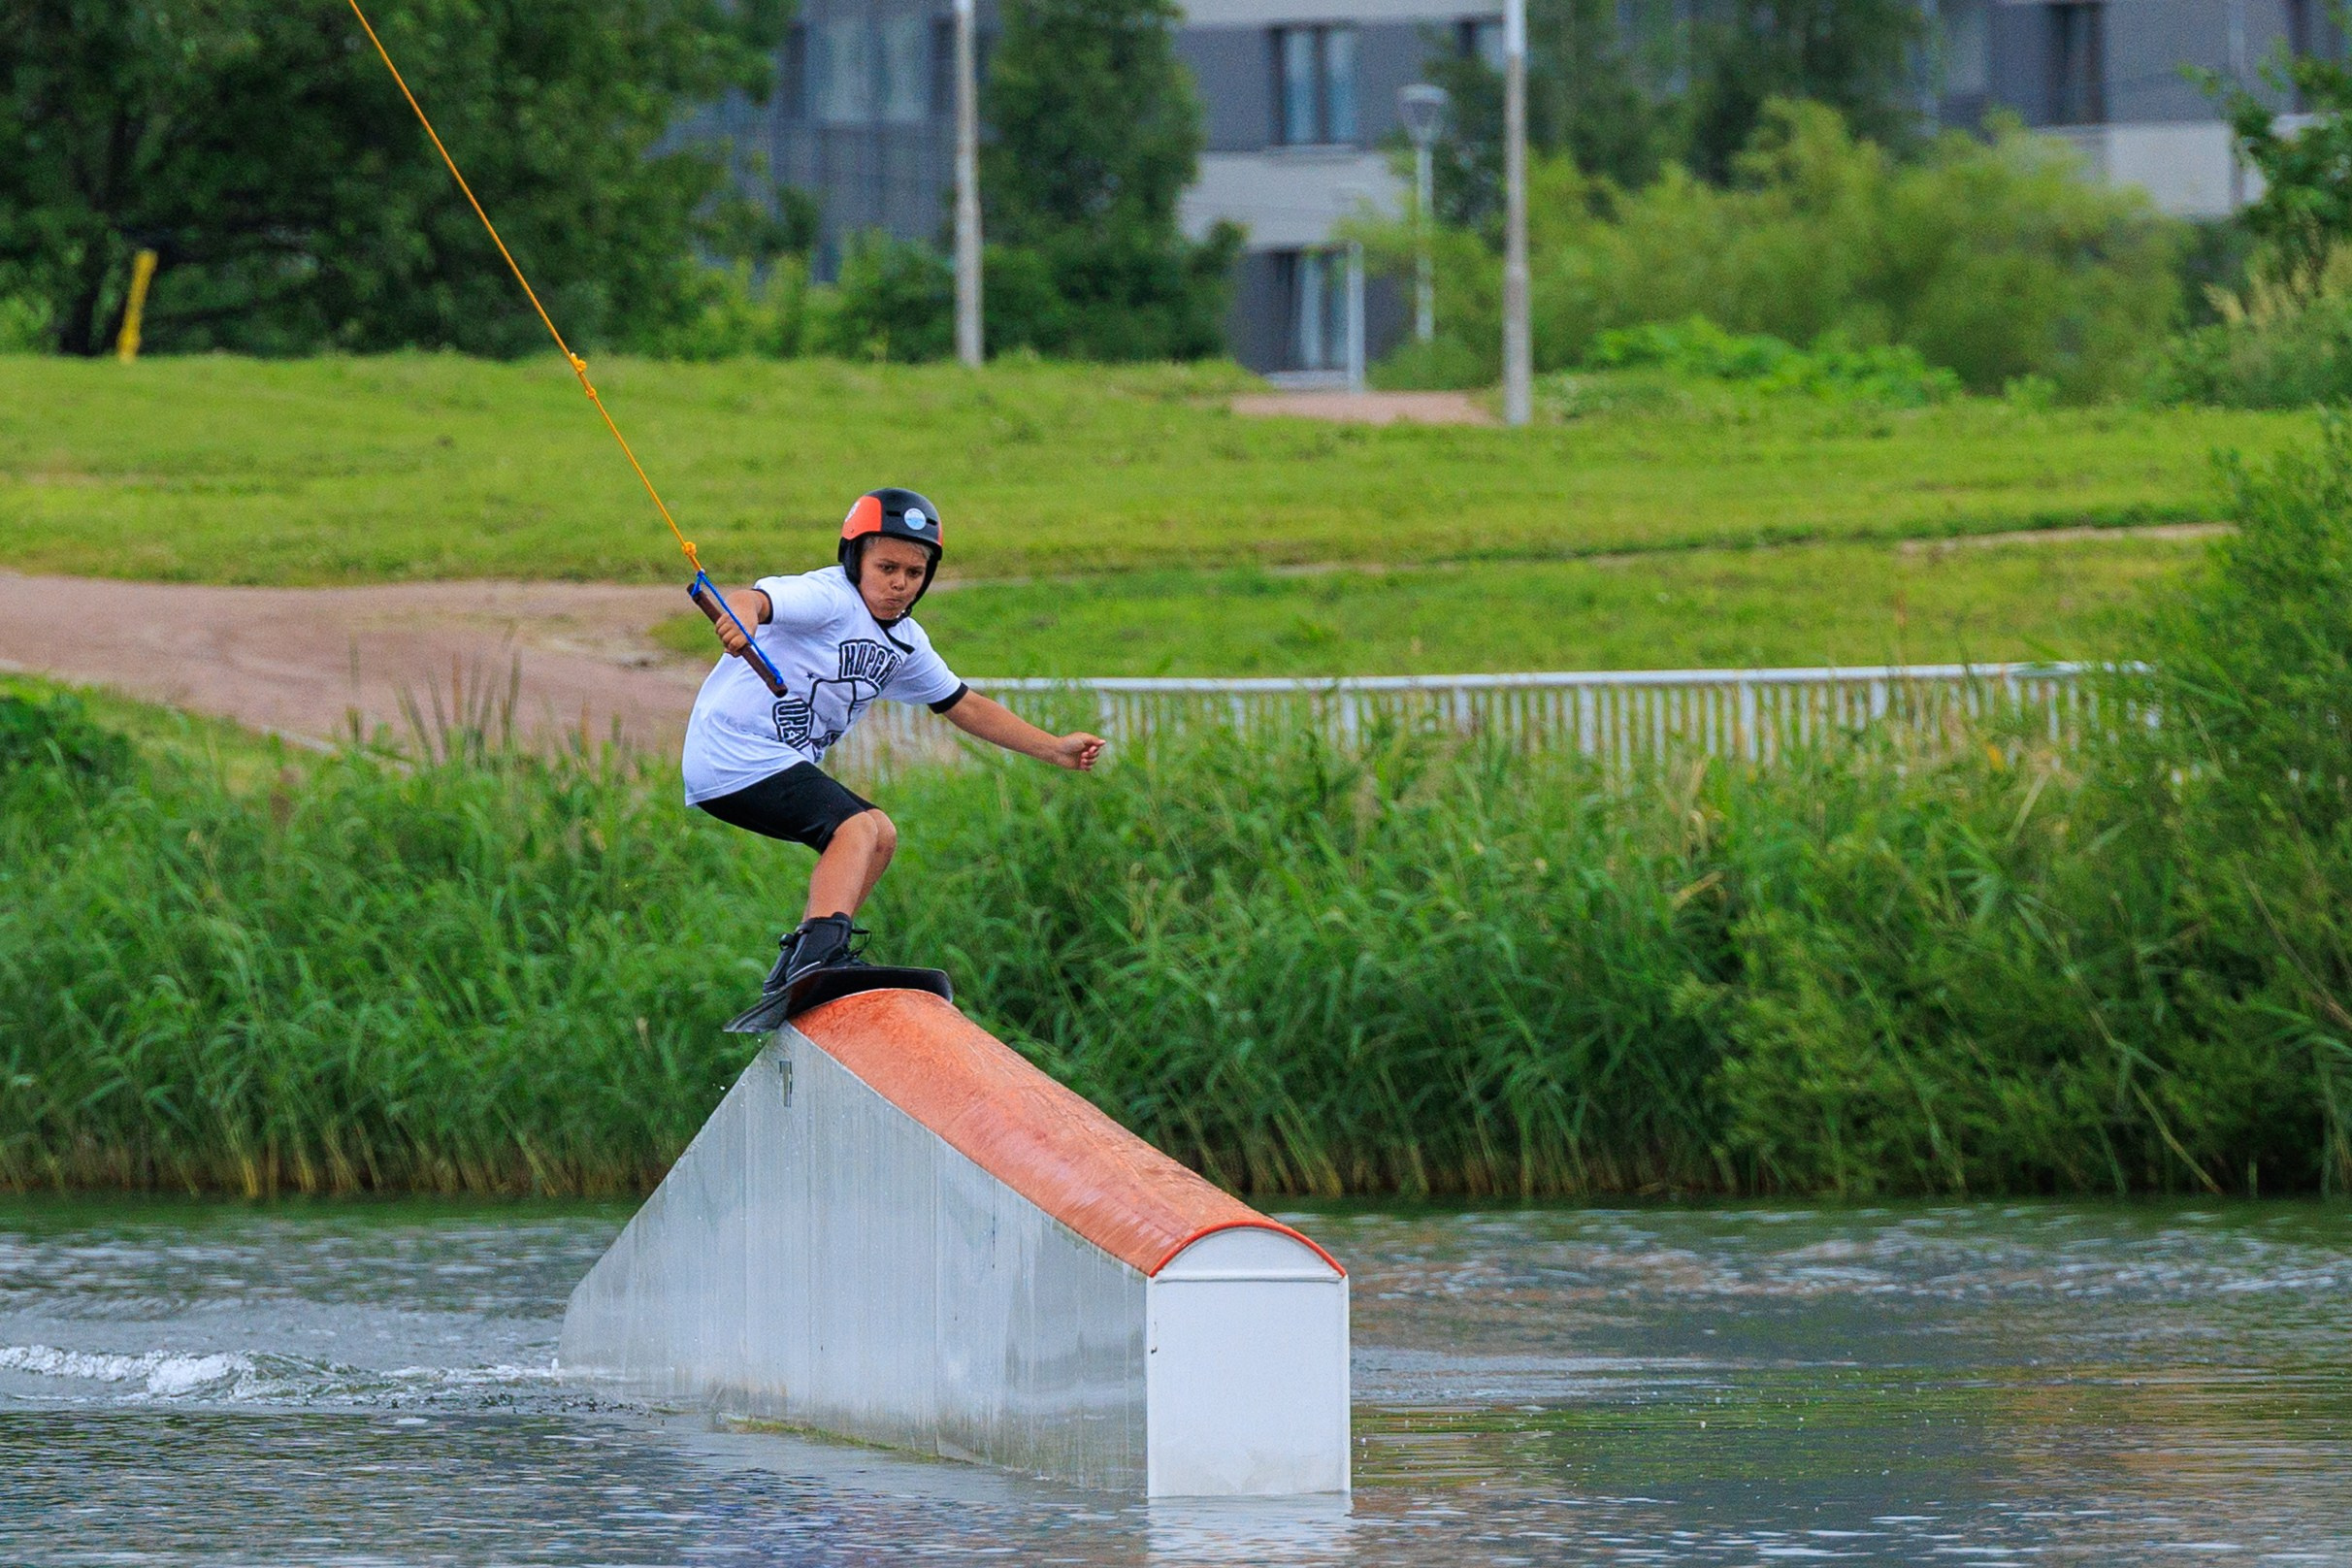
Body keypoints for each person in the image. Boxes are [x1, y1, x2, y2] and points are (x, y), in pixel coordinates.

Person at [683, 487, 1105, 1007]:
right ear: (855, 559)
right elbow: (757, 600)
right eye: (886, 568)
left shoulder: (906, 642)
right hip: (733, 751)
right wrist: (742, 614)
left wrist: (1054, 749)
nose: (899, 584)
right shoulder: (830, 597)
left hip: (770, 762)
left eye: (914, 573)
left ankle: (799, 962)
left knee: (880, 835)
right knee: (854, 827)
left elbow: (964, 705)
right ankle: (822, 957)